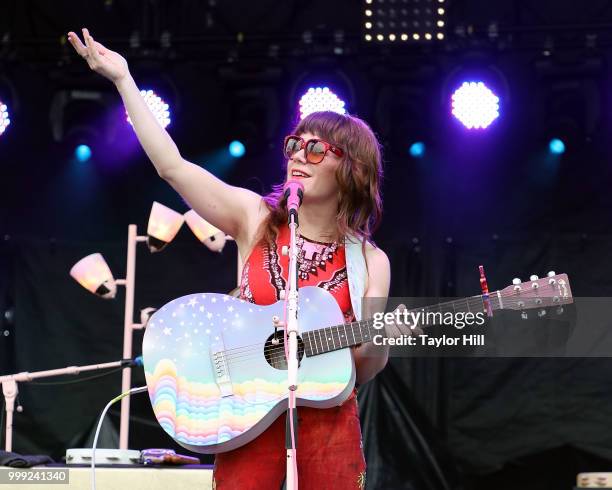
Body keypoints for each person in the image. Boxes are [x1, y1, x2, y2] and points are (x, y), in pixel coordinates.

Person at [67, 28, 414, 489]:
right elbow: (172, 167)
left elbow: (365, 367)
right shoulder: (254, 217)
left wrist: (382, 337)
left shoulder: (371, 260)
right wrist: (124, 80)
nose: (298, 156)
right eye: (295, 144)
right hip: (244, 417)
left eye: (316, 148)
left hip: (328, 429)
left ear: (351, 167)